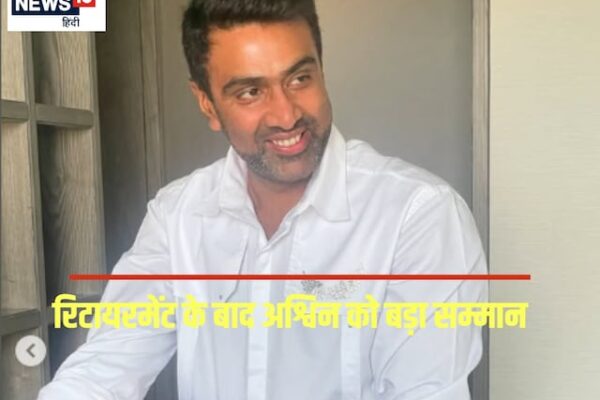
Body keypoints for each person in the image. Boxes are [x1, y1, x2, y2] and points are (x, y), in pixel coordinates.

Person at [38, 0, 487, 399]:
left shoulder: (417, 214)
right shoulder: (178, 215)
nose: (286, 115)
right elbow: (105, 368)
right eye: (250, 92)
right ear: (207, 104)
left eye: (299, 78)